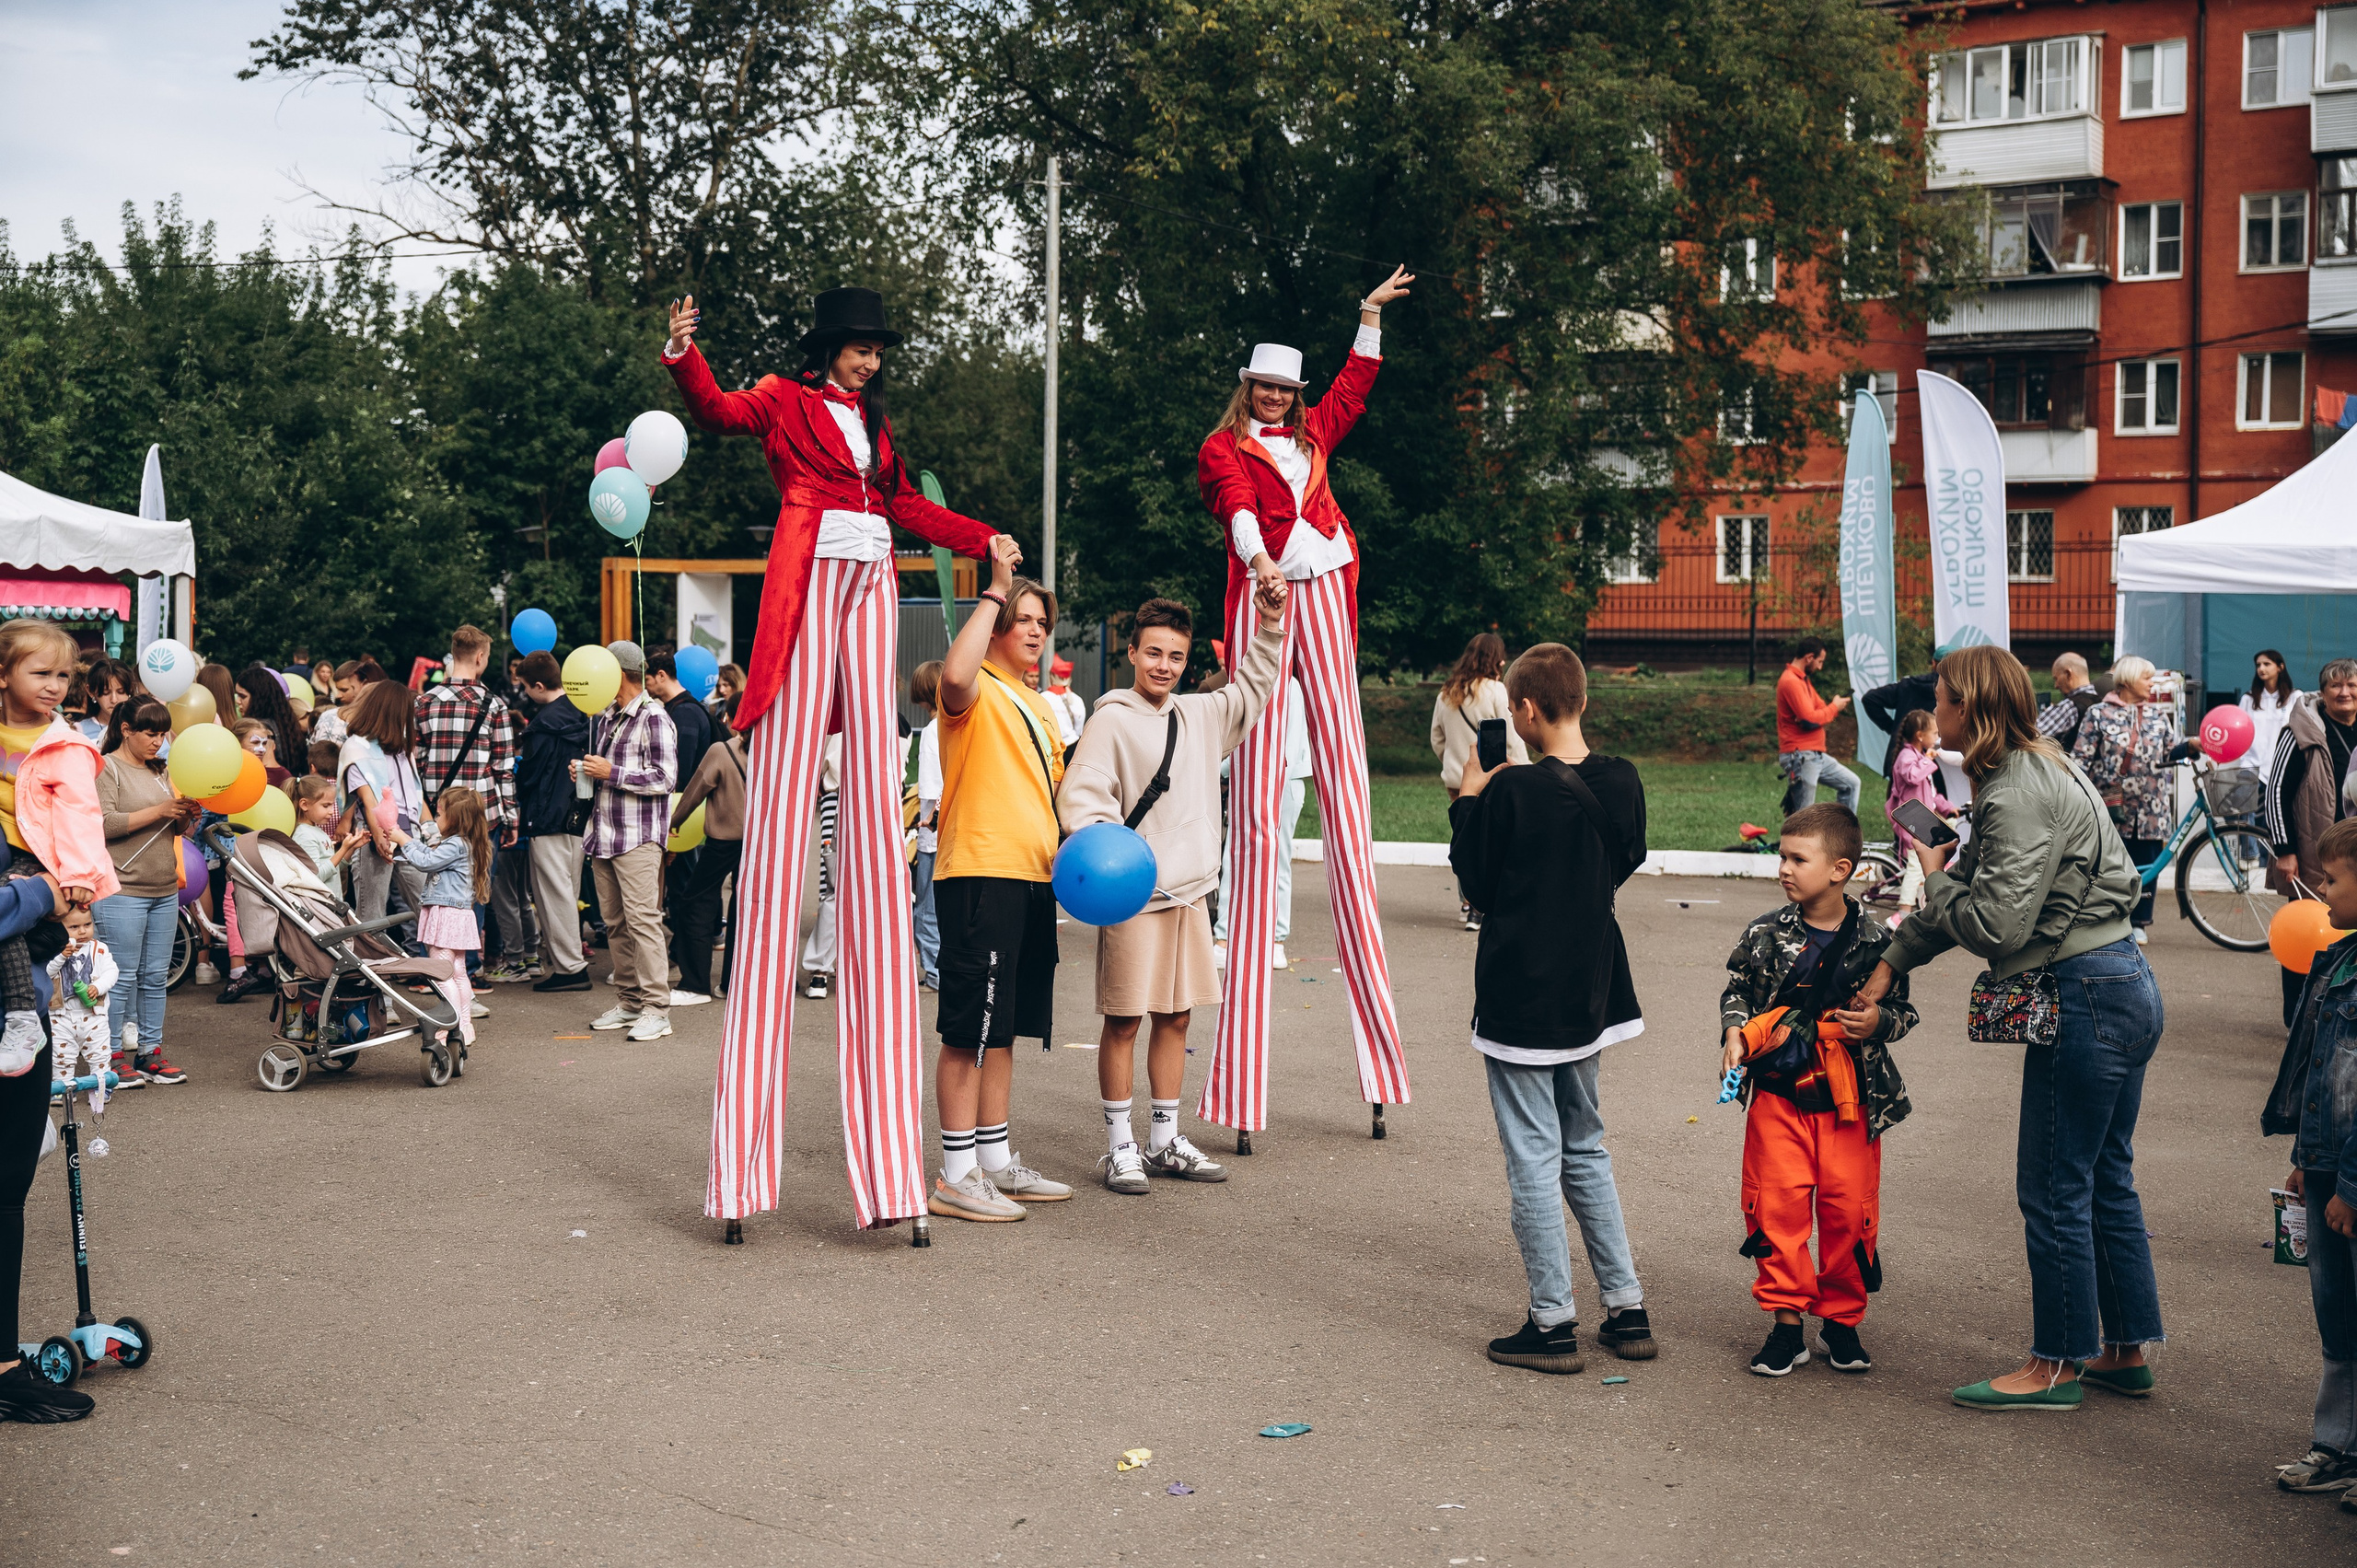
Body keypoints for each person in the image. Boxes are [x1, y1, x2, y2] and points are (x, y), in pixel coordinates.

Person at [664, 285, 1004, 1232]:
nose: (869, 362)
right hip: (809, 577)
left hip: (872, 582)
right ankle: (739, 1181)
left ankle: (893, 1181)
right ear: (829, 350)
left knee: (871, 802)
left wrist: (983, 538)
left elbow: (901, 506)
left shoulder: (877, 428)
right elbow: (718, 413)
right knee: (780, 835)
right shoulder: (782, 395)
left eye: (875, 352)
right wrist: (683, 354)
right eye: (858, 350)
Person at [1848, 644, 2159, 1411]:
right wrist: (1889, 963)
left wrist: (1939, 872)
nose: (1935, 705)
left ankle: (2055, 1364)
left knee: (2053, 1183)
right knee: (2104, 1177)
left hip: (2083, 993)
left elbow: (1992, 918)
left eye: (1945, 696)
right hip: (2121, 982)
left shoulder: (2013, 792)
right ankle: (2123, 1349)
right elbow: (1974, 895)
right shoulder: (2033, 767)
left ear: (1972, 710)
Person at [1196, 265, 1418, 1138]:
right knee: (1254, 813)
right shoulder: (1226, 448)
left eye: (1289, 390)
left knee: (1347, 797)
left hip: (1325, 590)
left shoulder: (1315, 432)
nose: (1281, 401)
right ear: (1248, 388)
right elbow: (1238, 510)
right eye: (1268, 389)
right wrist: (1260, 568)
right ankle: (1239, 1086)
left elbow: (1353, 389)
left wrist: (1365, 316)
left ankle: (1381, 1061)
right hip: (1267, 594)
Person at [1448, 642, 1654, 1373]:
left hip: (1521, 996)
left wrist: (1470, 796)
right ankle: (1626, 1305)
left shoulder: (1508, 792)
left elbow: (1476, 884)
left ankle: (1553, 1319)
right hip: (1591, 989)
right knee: (1585, 1143)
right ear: (1584, 701)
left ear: (1525, 712)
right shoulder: (1622, 780)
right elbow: (1623, 857)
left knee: (1533, 1156)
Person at [1061, 588, 1285, 1195]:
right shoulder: (1110, 719)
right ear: (1132, 653)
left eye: (1176, 656)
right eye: (1154, 652)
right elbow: (1081, 802)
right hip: (1132, 895)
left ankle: (1163, 1139)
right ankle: (1119, 1147)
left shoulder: (1199, 714)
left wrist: (1270, 622)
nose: (1164, 665)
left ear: (1187, 661)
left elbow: (1256, 685)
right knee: (1125, 1020)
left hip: (1190, 893)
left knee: (1178, 1017)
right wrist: (1113, 860)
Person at [1719, 804, 1918, 1376]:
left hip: (1851, 1106)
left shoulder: (1880, 940)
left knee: (1847, 1216)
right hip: (1778, 1101)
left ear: (1840, 869)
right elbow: (1737, 991)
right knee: (1775, 1212)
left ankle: (1842, 1323)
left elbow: (1901, 1011)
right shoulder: (1763, 933)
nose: (1783, 868)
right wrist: (1735, 1031)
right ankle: (1786, 1326)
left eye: (1796, 858)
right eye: (1781, 855)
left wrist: (1878, 1024)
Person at [928, 541, 1074, 1221]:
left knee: (1004, 1027)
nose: (1037, 630)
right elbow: (954, 672)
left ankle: (994, 1159)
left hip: (1032, 880)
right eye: (1024, 619)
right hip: (979, 874)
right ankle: (956, 1174)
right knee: (969, 1029)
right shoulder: (974, 689)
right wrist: (995, 588)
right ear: (996, 627)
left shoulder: (1042, 707)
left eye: (1043, 621)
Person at [2262, 816, 2357, 1497]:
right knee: (2337, 1309)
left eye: (2333, 877)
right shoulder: (2335, 958)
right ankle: (2337, 1443)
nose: (2320, 888)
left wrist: (2350, 1182)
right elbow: (2319, 1069)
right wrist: (2305, 1156)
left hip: (2353, 1176)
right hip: (2328, 1164)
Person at [0, 621, 115, 1077]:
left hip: (37, 856)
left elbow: (81, 814)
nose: (54, 687)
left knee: (9, 921)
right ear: (4, 674)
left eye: (63, 676)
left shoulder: (63, 745)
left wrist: (80, 875)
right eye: (41, 674)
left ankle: (24, 1018)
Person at [0, 861, 88, 1423]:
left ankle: (5, 1366)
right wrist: (38, 892)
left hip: (26, 1030)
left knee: (9, 1198)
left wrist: (65, 904)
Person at [577, 640, 677, 1042]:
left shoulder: (654, 717)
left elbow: (665, 778)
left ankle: (657, 1009)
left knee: (643, 922)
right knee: (615, 924)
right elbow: (607, 771)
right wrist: (585, 773)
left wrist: (612, 772)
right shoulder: (608, 716)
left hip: (637, 838)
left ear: (618, 673)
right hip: (603, 834)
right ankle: (630, 1002)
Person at [93, 698, 193, 1086]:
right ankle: (112, 1056)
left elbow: (173, 832)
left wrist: (183, 816)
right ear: (126, 730)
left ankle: (151, 1052)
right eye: (150, 733)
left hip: (163, 888)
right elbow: (102, 824)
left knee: (154, 977)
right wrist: (162, 810)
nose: (158, 741)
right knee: (118, 978)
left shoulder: (160, 771)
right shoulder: (107, 768)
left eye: (163, 733)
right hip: (122, 889)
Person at [414, 625, 521, 973]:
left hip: (437, 813)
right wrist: (511, 818)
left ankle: (433, 962)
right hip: (481, 813)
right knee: (473, 888)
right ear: (480, 657)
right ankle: (467, 967)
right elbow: (504, 769)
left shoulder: (424, 702)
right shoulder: (495, 707)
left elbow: (416, 762)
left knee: (431, 884)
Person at [2267, 659, 2357, 1026]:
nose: (2345, 693)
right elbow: (2275, 793)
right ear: (2323, 692)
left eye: (2351, 685)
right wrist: (2285, 851)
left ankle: (2338, 1016)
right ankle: (2299, 1019)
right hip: (2309, 856)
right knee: (2306, 939)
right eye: (2336, 686)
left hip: (2353, 855)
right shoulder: (2300, 731)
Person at [389, 784, 494, 1065]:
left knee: (441, 972)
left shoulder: (455, 844)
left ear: (455, 819)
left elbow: (425, 862)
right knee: (458, 971)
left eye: (439, 814)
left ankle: (451, 1025)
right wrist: (404, 851)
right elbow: (430, 859)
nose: (435, 820)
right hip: (458, 915)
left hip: (446, 915)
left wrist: (402, 838)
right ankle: (464, 1026)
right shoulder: (467, 844)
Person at [1432, 632, 1530, 932]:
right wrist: (1526, 771)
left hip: (1457, 780)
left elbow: (1437, 738)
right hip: (1491, 778)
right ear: (1495, 659)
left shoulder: (1447, 691)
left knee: (1465, 837)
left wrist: (1454, 764)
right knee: (1493, 840)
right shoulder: (1498, 692)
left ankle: (1467, 902)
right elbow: (1512, 738)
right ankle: (1481, 906)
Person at [2072, 656, 2175, 941]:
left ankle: (2140, 922)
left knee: (2149, 861)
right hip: (2111, 807)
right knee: (2112, 864)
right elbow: (2080, 759)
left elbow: (2169, 753)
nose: (2151, 684)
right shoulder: (2098, 713)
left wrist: (2192, 747)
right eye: (2147, 678)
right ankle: (2110, 919)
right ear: (2128, 680)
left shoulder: (2157, 716)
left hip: (2151, 808)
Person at [1213, 678, 1313, 964]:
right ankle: (1237, 937)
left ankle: (1266, 939)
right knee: (1246, 858)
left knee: (1262, 858)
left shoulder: (1281, 683)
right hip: (1262, 776)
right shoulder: (1268, 680)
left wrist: (1222, 769)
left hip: (1274, 777)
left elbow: (1266, 741)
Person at [511, 652, 593, 995]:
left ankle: (570, 966)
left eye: (526, 687)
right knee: (569, 890)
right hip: (579, 814)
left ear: (539, 685)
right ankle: (570, 959)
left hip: (547, 815)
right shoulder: (586, 714)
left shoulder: (542, 726)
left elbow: (529, 777)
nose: (525, 693)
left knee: (552, 894)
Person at [339, 677, 429, 936]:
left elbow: (416, 793)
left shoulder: (402, 749)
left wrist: (430, 832)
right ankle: (372, 972)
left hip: (410, 836)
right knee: (372, 916)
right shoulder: (357, 748)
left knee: (429, 906)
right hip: (374, 837)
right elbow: (368, 800)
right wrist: (380, 836)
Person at [669, 730, 746, 1005]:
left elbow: (693, 793)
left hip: (723, 841)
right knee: (745, 910)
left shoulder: (722, 751)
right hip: (761, 843)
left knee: (695, 903)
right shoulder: (777, 750)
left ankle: (695, 983)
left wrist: (674, 822)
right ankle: (734, 983)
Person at [46, 904, 119, 1131]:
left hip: (92, 1015)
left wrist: (98, 986)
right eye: (74, 926)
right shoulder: (53, 950)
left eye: (87, 925)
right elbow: (46, 972)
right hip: (61, 1015)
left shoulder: (99, 949)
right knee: (61, 1054)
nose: (82, 931)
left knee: (99, 1053)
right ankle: (63, 1088)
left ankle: (99, 1087)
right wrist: (60, 957)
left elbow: (112, 972)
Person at [1775, 638, 1858, 816]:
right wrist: (1834, 707)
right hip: (1801, 755)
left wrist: (1821, 712)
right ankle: (1795, 844)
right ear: (1809, 657)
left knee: (1851, 784)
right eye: (1820, 662)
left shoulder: (1803, 680)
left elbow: (1819, 710)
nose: (1820, 667)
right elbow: (1811, 719)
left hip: (1815, 754)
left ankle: (1843, 838)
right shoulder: (1791, 681)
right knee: (1804, 815)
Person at [1885, 710, 1955, 915]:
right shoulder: (1907, 757)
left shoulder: (1917, 756)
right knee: (1915, 866)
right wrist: (1927, 760)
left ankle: (1925, 895)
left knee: (1939, 848)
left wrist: (1950, 808)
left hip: (1922, 820)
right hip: (1912, 821)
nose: (1936, 738)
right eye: (1934, 733)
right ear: (1920, 736)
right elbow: (1913, 777)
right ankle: (1903, 912)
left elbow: (1930, 793)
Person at [909, 660, 946, 990]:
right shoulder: (954, 723)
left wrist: (928, 822)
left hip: (933, 833)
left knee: (925, 910)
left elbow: (934, 784)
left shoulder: (934, 731)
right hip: (953, 831)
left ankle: (935, 973)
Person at [1861, 653, 1944, 781]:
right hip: (1937, 758)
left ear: (1933, 663)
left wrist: (1896, 729)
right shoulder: (1952, 690)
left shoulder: (1909, 684)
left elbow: (1870, 699)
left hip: (1901, 752)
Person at [647, 650, 715, 785]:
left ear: (661, 675)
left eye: (646, 679)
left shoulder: (685, 713)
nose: (644, 686)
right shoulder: (681, 708)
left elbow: (680, 769)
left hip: (683, 799)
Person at [292, 774, 364, 884]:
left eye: (332, 806)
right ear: (304, 804)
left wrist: (351, 848)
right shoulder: (304, 835)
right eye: (326, 806)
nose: (331, 811)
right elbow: (316, 876)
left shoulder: (316, 830)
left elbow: (333, 869)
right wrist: (343, 849)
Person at [2244, 648, 2303, 782]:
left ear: (2280, 667)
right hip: (2250, 768)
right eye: (2258, 665)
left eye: (2266, 664)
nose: (2261, 668)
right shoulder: (2248, 699)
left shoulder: (2295, 697)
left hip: (2283, 767)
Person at [237, 664, 305, 772]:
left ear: (258, 697)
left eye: (243, 696)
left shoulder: (260, 729)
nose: (237, 701)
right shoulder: (286, 723)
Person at [2036, 653, 2102, 752]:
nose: (2056, 686)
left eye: (2056, 679)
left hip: (2067, 765)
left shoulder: (2069, 707)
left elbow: (2031, 736)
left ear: (2068, 674)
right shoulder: (2102, 703)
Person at [75, 657, 136, 747]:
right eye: (106, 693)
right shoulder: (79, 730)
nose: (114, 700)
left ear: (130, 689)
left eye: (121, 692)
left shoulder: (143, 726)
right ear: (91, 692)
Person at [1043, 656, 1086, 755]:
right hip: (1073, 746)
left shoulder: (1043, 698)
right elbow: (1079, 730)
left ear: (1051, 677)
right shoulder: (1077, 700)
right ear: (1069, 678)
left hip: (1052, 748)